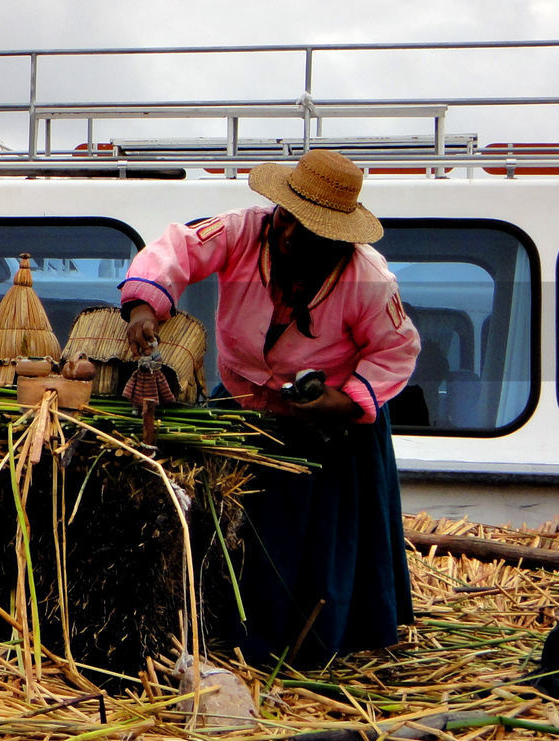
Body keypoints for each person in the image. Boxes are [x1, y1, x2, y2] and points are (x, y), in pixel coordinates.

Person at [119, 149, 421, 667]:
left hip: (329, 424)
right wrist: (147, 304)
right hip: (243, 404)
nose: (287, 237)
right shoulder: (243, 231)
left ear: (336, 239)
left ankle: (315, 644)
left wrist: (343, 403)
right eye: (285, 220)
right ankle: (232, 631)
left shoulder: (368, 279)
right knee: (236, 528)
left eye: (306, 233)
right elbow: (179, 249)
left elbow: (396, 349)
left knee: (317, 541)